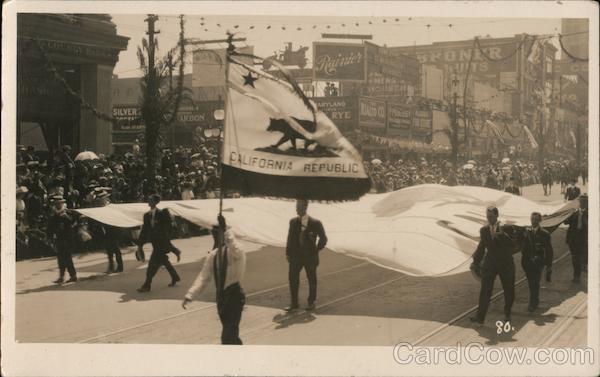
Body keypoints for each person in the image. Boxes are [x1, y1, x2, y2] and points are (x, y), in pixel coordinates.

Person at [182, 215, 246, 344]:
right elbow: (203, 277)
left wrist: (225, 230)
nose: (215, 236)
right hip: (221, 298)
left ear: (225, 233)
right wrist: (190, 295)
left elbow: (235, 248)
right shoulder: (213, 256)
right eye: (213, 233)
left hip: (234, 296)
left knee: (228, 335)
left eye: (218, 233)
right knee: (230, 333)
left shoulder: (236, 250)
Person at [470, 206, 518, 325]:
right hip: (490, 264)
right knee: (485, 291)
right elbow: (482, 247)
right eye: (487, 217)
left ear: (497, 216)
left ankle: (507, 313)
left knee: (508, 289)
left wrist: (502, 235)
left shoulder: (506, 228)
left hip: (505, 264)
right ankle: (480, 317)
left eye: (491, 217)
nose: (489, 219)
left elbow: (513, 244)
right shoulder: (484, 230)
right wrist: (475, 262)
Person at [285, 199, 328, 311]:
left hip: (310, 257)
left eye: (298, 207)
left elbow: (323, 239)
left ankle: (311, 302)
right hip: (296, 257)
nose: (296, 209)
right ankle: (294, 304)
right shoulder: (293, 222)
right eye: (296, 206)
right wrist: (288, 253)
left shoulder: (316, 223)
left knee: (311, 279)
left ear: (305, 207)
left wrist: (316, 249)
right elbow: (289, 239)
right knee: (292, 278)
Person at [136, 194, 181, 292]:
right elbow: (145, 230)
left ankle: (147, 285)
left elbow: (169, 227)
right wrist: (140, 243)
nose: (148, 201)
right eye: (148, 199)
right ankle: (175, 276)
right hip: (155, 242)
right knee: (164, 260)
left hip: (162, 242)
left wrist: (166, 237)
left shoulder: (163, 213)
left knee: (152, 265)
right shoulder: (146, 215)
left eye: (150, 200)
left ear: (156, 202)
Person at [521, 212, 553, 313]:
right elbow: (520, 244)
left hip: (538, 263)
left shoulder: (545, 234)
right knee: (531, 282)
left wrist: (549, 265)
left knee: (535, 282)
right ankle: (535, 300)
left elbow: (549, 250)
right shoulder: (526, 231)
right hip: (526, 262)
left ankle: (533, 303)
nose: (533, 221)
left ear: (539, 221)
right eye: (532, 219)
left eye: (536, 219)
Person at [47, 195, 78, 284]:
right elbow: (50, 227)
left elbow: (72, 222)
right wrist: (50, 237)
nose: (57, 205)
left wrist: (64, 216)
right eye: (55, 204)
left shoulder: (67, 213)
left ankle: (73, 275)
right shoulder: (54, 215)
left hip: (67, 238)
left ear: (62, 203)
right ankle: (62, 276)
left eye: (59, 203)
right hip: (59, 239)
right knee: (60, 258)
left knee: (67, 258)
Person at [95, 190, 124, 273]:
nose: (100, 200)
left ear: (106, 198)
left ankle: (120, 266)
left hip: (113, 229)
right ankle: (111, 267)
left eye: (102, 198)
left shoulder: (110, 206)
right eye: (100, 199)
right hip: (106, 230)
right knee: (108, 250)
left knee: (115, 249)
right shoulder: (100, 207)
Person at [564, 194, 588, 283]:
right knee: (575, 258)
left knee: (584, 256)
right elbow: (566, 222)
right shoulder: (574, 212)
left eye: (585, 202)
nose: (582, 203)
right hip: (573, 239)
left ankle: (584, 266)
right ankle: (576, 276)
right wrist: (567, 214)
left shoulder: (590, 213)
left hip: (584, 239)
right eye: (581, 202)